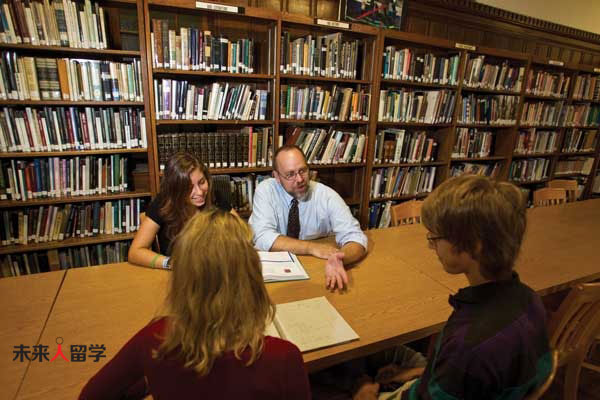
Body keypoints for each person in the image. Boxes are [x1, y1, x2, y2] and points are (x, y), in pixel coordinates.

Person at [353, 175, 552, 400]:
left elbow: (462, 365)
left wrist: (367, 394)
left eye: (435, 238)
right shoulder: (529, 299)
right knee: (383, 355)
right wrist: (417, 373)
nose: (430, 245)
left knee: (346, 376)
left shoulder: (468, 345)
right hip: (463, 383)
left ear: (473, 245)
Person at [79, 209, 311, 399]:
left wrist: (151, 378)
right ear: (250, 276)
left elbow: (91, 396)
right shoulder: (283, 357)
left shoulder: (154, 340)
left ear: (183, 276)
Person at [249, 145, 368, 291]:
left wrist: (340, 258)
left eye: (303, 171)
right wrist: (311, 248)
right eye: (290, 174)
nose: (299, 179)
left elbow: (355, 237)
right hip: (273, 273)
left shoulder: (326, 195)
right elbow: (263, 236)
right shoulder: (266, 190)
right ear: (277, 177)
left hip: (313, 270)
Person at [128, 152, 232, 269]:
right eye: (189, 188)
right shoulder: (162, 203)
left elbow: (242, 235)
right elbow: (135, 252)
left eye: (202, 182)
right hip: (178, 276)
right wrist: (170, 263)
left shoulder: (215, 198)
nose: (199, 192)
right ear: (176, 190)